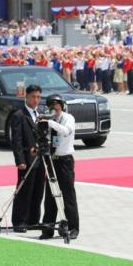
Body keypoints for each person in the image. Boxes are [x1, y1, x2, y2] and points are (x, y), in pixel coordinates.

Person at [40, 94, 79, 240]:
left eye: (56, 105)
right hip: (52, 160)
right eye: (51, 105)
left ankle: (73, 228)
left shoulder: (68, 118)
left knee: (68, 195)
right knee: (50, 196)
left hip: (65, 161)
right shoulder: (49, 120)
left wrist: (50, 123)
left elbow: (66, 131)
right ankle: (47, 229)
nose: (54, 108)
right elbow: (44, 137)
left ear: (62, 106)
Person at [10, 84, 44, 232]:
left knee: (38, 191)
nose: (36, 100)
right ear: (26, 97)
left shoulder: (40, 114)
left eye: (38, 97)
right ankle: (19, 222)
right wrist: (20, 160)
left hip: (40, 159)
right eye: (33, 97)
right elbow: (16, 140)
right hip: (27, 160)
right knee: (24, 191)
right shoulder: (19, 115)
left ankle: (33, 220)